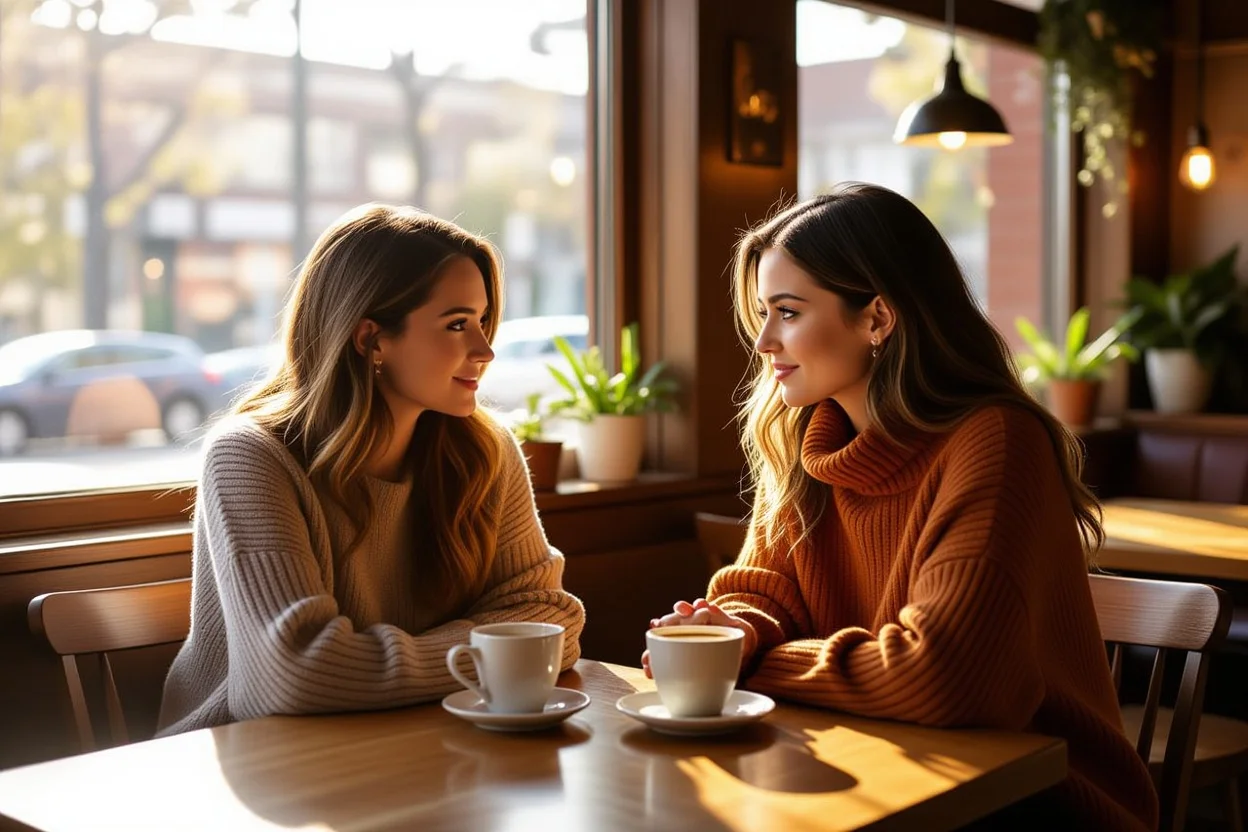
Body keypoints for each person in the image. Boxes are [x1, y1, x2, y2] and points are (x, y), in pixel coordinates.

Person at [646, 184, 1157, 831]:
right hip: (878, 767)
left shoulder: (994, 440)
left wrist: (747, 661)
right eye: (763, 313)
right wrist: (742, 628)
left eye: (789, 312)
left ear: (877, 320)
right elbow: (765, 589)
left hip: (1031, 800)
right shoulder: (811, 442)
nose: (764, 341)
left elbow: (946, 677)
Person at [158, 204, 585, 735]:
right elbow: (293, 676)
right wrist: (495, 648)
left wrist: (361, 664)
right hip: (245, 768)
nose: (485, 349)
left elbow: (554, 620)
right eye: (457, 324)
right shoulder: (250, 457)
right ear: (370, 340)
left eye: (481, 321)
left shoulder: (485, 450)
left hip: (409, 742)